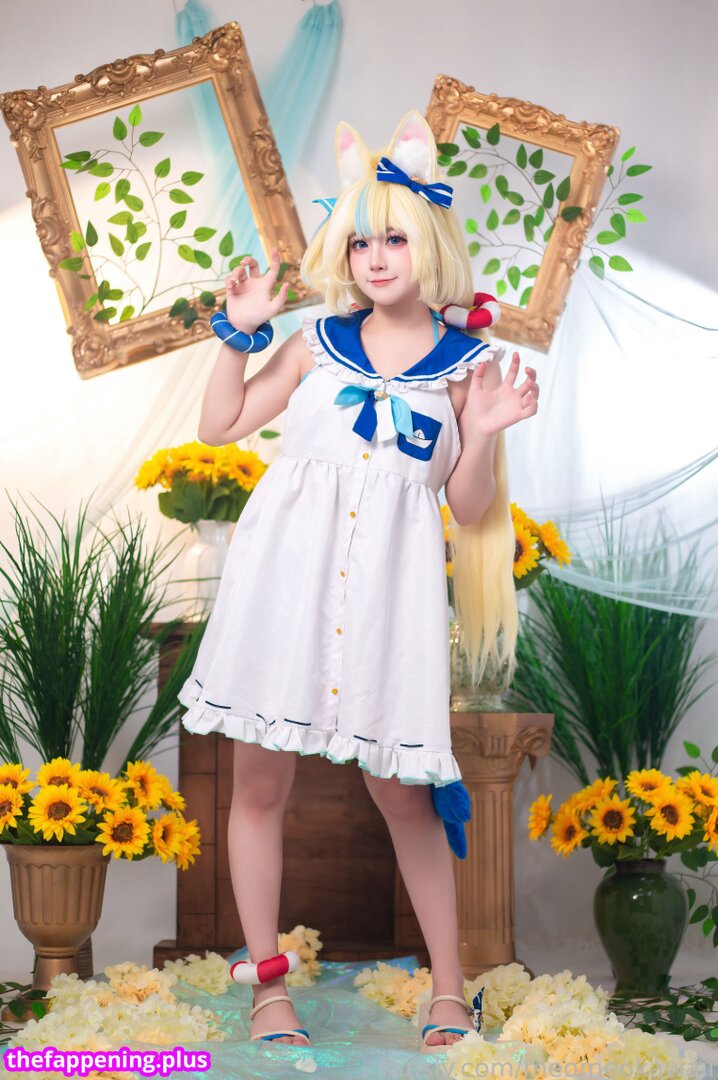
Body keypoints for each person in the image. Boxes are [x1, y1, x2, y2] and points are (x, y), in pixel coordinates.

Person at [178, 109, 539, 1050]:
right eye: (362, 241)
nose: (377, 258)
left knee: (403, 794)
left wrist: (483, 434)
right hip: (283, 585)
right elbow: (220, 425)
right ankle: (268, 991)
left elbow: (468, 509)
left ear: (430, 244)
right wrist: (236, 335)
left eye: (396, 239)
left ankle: (450, 991)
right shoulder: (312, 340)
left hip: (390, 601)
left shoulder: (463, 370)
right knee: (259, 784)